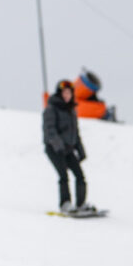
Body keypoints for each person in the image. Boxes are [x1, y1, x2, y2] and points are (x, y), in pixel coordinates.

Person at [42, 79, 94, 214]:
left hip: (68, 149)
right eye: (64, 93)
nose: (67, 95)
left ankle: (81, 204)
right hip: (54, 149)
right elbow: (50, 130)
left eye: (69, 93)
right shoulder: (51, 109)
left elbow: (75, 133)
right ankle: (65, 204)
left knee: (80, 175)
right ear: (60, 94)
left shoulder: (72, 111)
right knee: (63, 176)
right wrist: (58, 147)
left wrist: (80, 150)